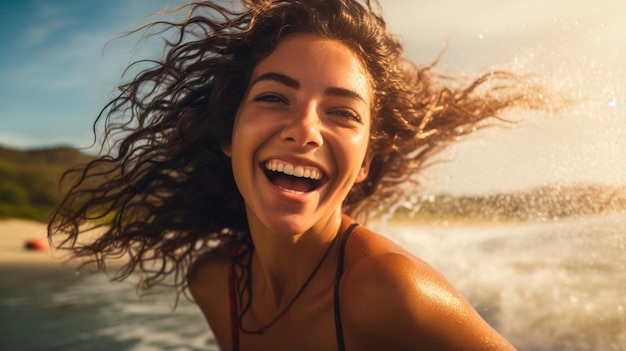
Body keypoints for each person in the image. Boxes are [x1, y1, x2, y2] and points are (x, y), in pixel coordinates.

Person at [49, 0, 544, 349]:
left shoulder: (386, 290)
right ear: (227, 132)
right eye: (272, 97)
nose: (305, 131)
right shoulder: (214, 284)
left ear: (366, 159)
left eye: (342, 112)